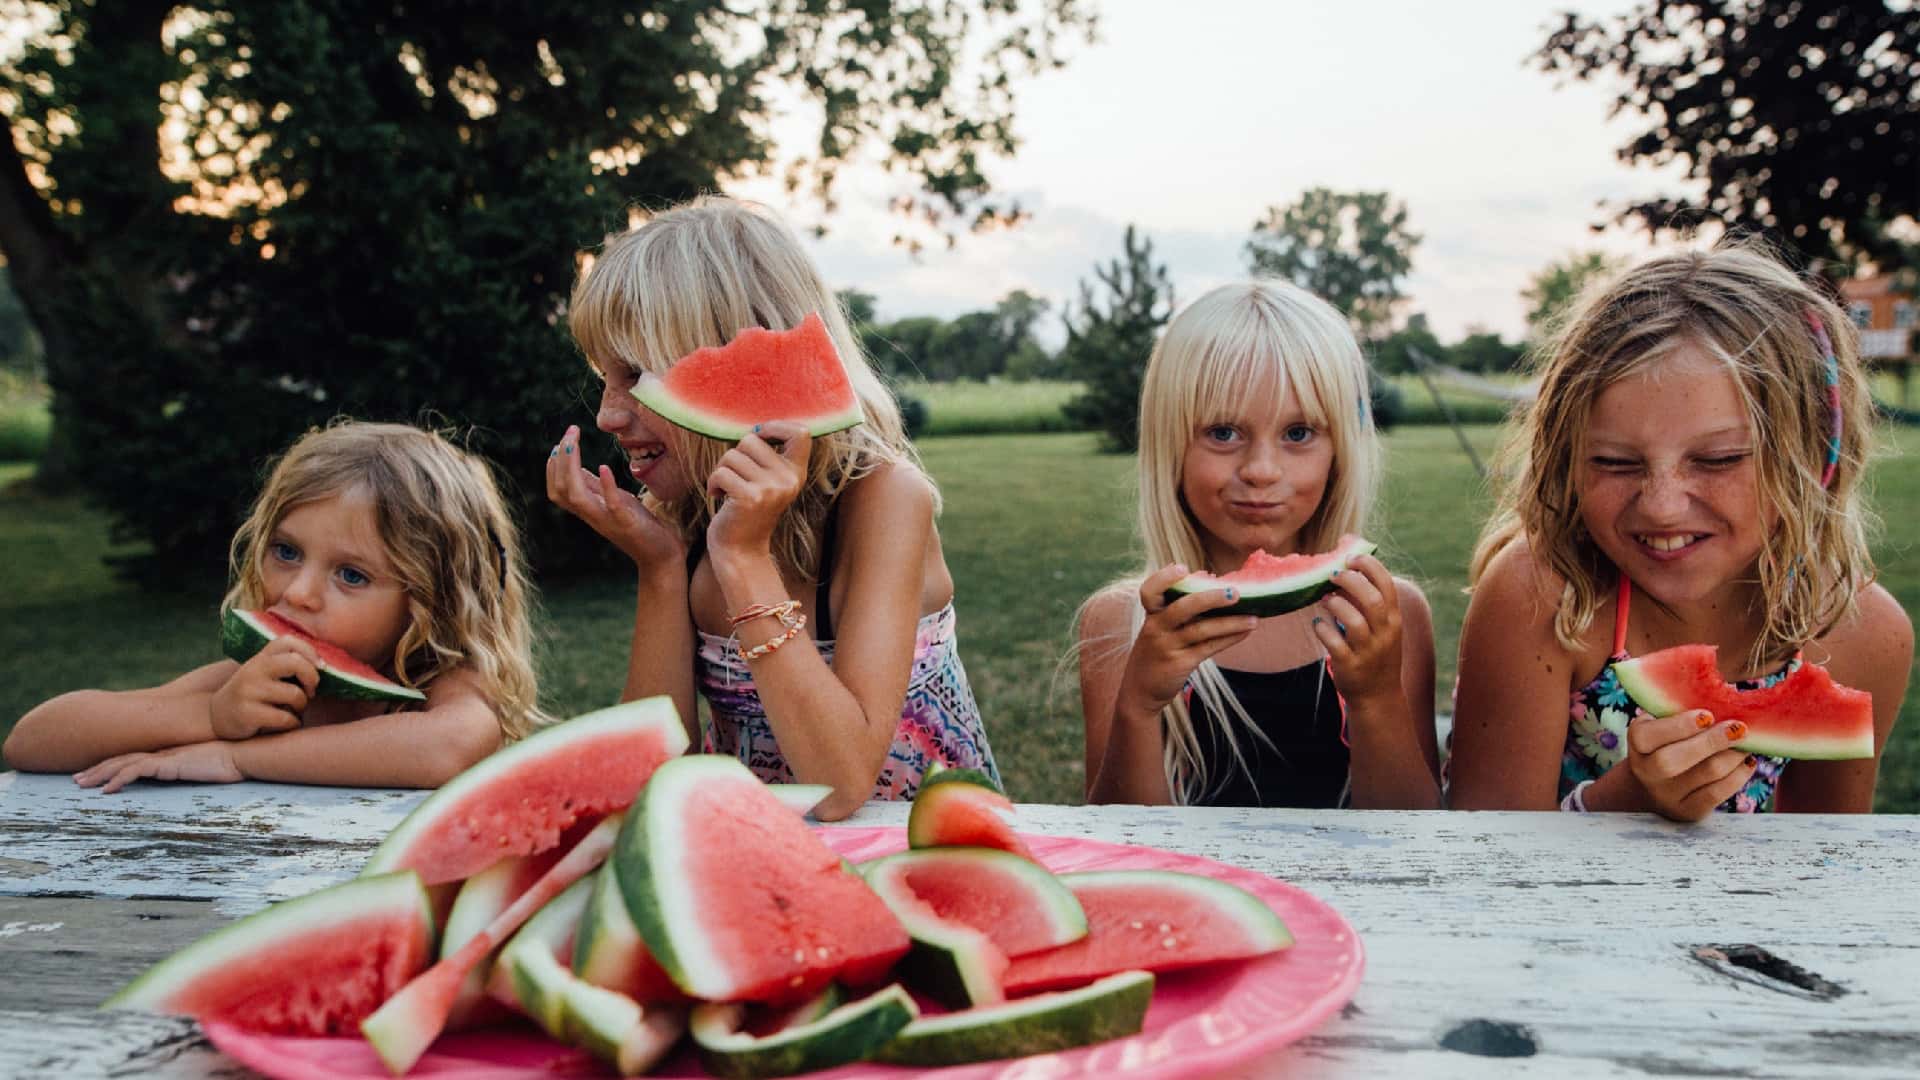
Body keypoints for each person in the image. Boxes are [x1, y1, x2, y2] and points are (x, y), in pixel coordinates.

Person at [546, 196, 997, 821]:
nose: (607, 414)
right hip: (768, 854)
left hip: (927, 847)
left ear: (753, 361)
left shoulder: (884, 500)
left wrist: (743, 556)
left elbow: (841, 785)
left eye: (637, 376)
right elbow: (648, 771)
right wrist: (659, 565)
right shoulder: (689, 515)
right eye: (605, 377)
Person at [1448, 245, 1910, 818]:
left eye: (1718, 459)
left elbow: (1821, 865)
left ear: (1813, 454)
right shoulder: (1542, 596)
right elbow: (1484, 856)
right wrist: (1624, 802)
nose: (1662, 507)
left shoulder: (1861, 634)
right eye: (1615, 463)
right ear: (1565, 459)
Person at [4, 421, 543, 790]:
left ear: (433, 601)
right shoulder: (256, 682)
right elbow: (31, 740)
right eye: (286, 552)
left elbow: (449, 746)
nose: (297, 592)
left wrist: (237, 756)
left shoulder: (442, 683)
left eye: (351, 575)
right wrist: (212, 715)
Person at [1076, 282, 1440, 809]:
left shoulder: (1387, 613)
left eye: (1298, 434)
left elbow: (1415, 835)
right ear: (1169, 444)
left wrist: (1376, 699)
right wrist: (1139, 706)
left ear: (1340, 448)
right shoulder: (1120, 622)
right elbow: (1125, 842)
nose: (1261, 471)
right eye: (1223, 433)